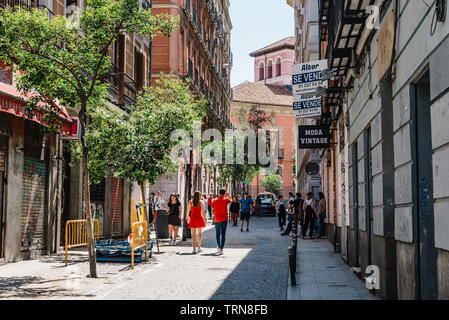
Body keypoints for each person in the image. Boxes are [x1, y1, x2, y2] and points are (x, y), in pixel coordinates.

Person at [211, 188, 232, 255]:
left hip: (217, 219)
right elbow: (231, 200)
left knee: (217, 234)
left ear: (219, 193)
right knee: (223, 234)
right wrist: (227, 194)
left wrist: (214, 215)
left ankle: (219, 246)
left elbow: (212, 211)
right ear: (224, 193)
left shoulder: (214, 200)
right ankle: (221, 248)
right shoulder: (226, 199)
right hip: (224, 219)